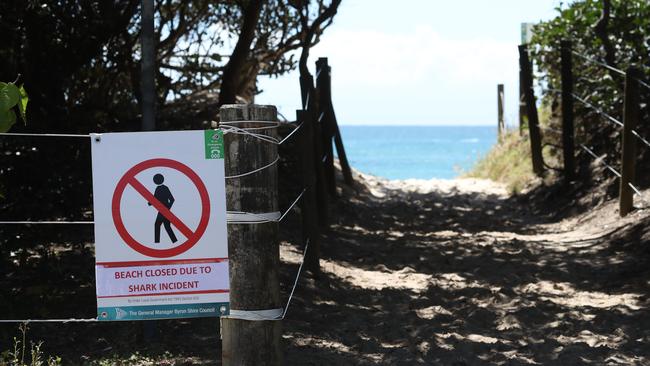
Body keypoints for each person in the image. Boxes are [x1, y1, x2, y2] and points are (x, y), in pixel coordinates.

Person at [149, 173, 178, 243]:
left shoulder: (164, 188)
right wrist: (150, 203)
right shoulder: (158, 188)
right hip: (163, 211)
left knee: (157, 225)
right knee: (167, 226)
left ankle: (156, 242)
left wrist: (167, 209)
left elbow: (172, 199)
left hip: (163, 211)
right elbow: (154, 199)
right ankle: (174, 241)